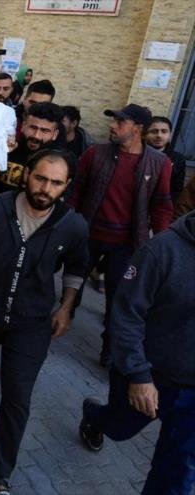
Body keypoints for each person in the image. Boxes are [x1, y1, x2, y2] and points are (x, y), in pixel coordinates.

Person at [0, 149, 90, 495]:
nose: (46, 188)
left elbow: (77, 269)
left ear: (66, 186)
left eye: (56, 183)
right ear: (26, 174)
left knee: (17, 399)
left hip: (31, 323)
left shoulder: (73, 225)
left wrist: (65, 307)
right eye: (40, 178)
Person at [79, 211, 195, 495]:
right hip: (148, 378)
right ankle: (94, 416)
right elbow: (126, 315)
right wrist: (138, 375)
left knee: (178, 472)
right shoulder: (161, 251)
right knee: (118, 428)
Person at [67, 104, 174, 367]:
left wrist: (161, 243)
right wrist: (70, 224)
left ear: (137, 129)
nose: (113, 126)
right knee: (72, 283)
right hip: (88, 234)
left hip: (128, 244)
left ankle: (111, 349)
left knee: (120, 298)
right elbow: (76, 192)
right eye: (114, 121)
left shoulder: (159, 163)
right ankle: (61, 319)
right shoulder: (95, 153)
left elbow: (161, 205)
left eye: (120, 122)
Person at [0, 102, 65, 199]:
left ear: (55, 134)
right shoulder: (5, 146)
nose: (36, 136)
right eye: (33, 127)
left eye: (45, 131)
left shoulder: (60, 164)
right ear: (23, 126)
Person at [145, 116, 187, 202]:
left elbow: (176, 190)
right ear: (145, 134)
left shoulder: (178, 159)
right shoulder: (137, 154)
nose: (159, 135)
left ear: (169, 135)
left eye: (164, 131)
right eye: (154, 131)